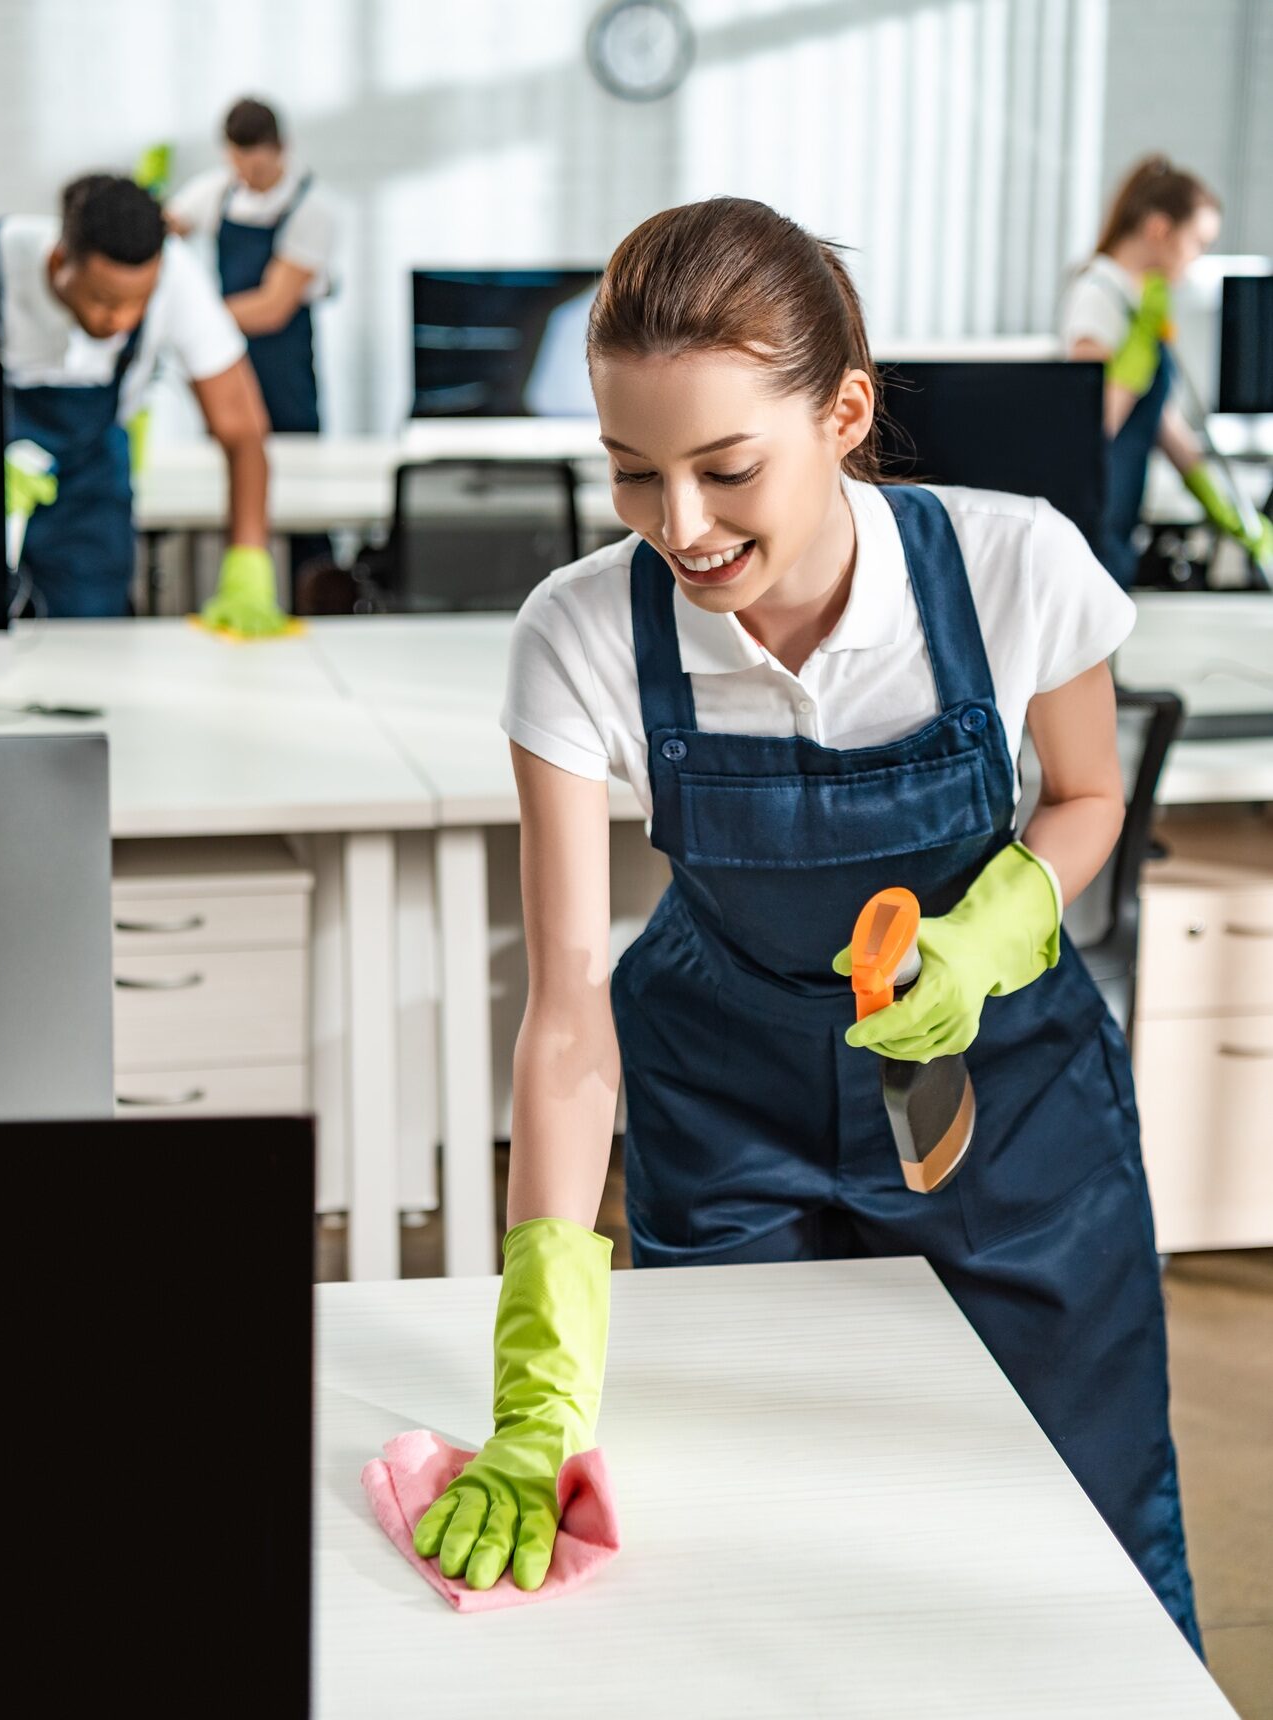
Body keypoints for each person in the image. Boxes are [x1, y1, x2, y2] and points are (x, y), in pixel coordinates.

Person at [410, 197, 1204, 1656]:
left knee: (1084, 1517)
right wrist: (534, 1382)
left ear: (843, 414)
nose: (680, 530)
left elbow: (1087, 796)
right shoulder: (581, 636)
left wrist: (990, 930)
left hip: (1006, 1097)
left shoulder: (1010, 565)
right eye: (632, 476)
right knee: (744, 1528)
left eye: (724, 471)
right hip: (724, 1098)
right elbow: (571, 1006)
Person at [0, 173, 285, 631]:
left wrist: (248, 566)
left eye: (138, 302)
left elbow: (242, 431)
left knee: (91, 640)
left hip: (92, 493)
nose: (122, 319)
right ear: (61, 260)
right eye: (103, 300)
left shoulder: (177, 277)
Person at [1060, 153, 1271, 588]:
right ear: (1159, 229)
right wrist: (1133, 360)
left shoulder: (1137, 302)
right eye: (1198, 242)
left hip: (1117, 525)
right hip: (1091, 525)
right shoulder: (1099, 295)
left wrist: (1230, 513)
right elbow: (1087, 431)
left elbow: (1166, 428)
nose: (1197, 259)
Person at [167, 96, 337, 580]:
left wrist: (193, 317)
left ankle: (312, 589)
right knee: (228, 480)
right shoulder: (215, 193)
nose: (250, 176)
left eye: (260, 165)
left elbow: (271, 307)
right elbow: (163, 233)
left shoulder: (313, 209)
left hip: (285, 376)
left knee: (299, 495)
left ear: (281, 149)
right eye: (240, 164)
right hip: (228, 367)